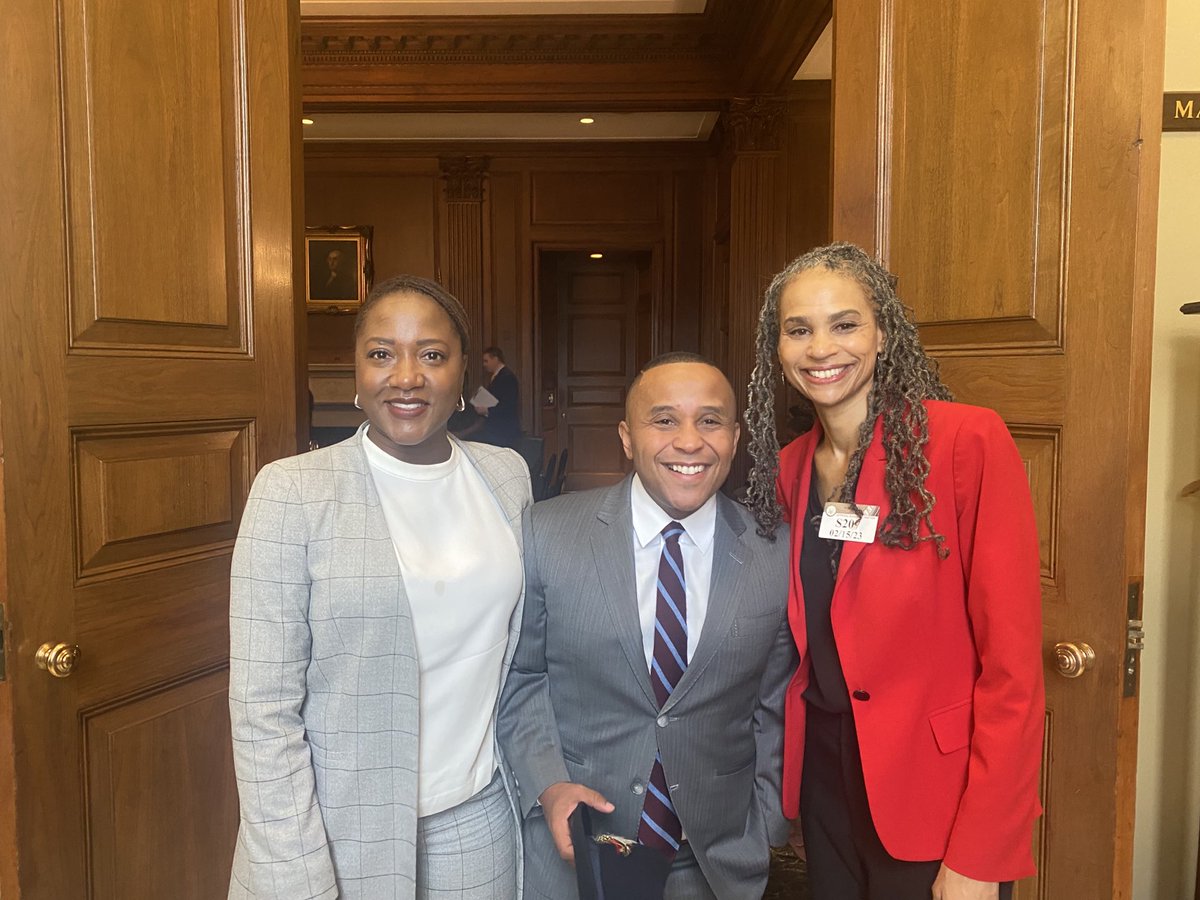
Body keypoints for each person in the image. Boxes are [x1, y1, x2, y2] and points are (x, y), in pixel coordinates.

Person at [743, 243, 1044, 900]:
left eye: (844, 324)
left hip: (934, 796)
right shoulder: (790, 469)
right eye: (799, 330)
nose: (821, 347)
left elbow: (1013, 671)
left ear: (883, 334)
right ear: (779, 350)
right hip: (824, 782)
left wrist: (982, 851)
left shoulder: (966, 442)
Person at [228, 275, 532, 899]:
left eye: (432, 354)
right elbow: (263, 709)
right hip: (337, 828)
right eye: (381, 354)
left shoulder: (506, 476)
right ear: (356, 373)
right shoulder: (292, 491)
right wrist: (293, 868)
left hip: (479, 816)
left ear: (463, 371)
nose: (406, 376)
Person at [498, 352, 797, 900]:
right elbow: (522, 677)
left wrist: (768, 822)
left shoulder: (774, 552)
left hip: (714, 857)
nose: (689, 442)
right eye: (664, 420)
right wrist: (548, 784)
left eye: (710, 421)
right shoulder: (548, 532)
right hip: (579, 841)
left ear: (734, 437)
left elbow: (776, 703)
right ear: (627, 437)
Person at [474, 346, 521, 449]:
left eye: (486, 361)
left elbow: (508, 405)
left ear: (495, 358)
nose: (484, 365)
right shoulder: (498, 376)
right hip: (497, 429)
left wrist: (487, 410)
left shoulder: (507, 377)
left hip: (503, 430)